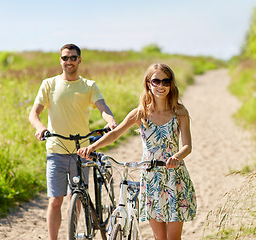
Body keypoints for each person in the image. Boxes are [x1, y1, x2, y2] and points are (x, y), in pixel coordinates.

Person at [78, 63, 197, 240]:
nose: (161, 86)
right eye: (156, 81)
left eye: (166, 81)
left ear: (171, 84)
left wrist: (176, 157)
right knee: (160, 238)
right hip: (150, 179)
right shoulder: (140, 113)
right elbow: (115, 134)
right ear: (148, 83)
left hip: (175, 178)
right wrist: (92, 147)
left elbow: (187, 146)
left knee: (173, 238)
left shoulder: (179, 112)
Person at [28, 43, 117, 240]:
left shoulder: (89, 86)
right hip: (56, 150)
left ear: (79, 60)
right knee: (55, 201)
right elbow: (34, 113)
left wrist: (110, 121)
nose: (69, 61)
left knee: (76, 199)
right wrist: (41, 128)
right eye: (65, 58)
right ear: (60, 60)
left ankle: (72, 234)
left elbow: (102, 107)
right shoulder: (49, 84)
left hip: (82, 151)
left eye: (73, 57)